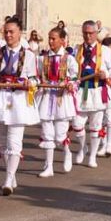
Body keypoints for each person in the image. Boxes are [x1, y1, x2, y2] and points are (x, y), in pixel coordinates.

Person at [0, 16, 40, 196]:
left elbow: (36, 78)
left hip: (19, 100)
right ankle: (10, 173)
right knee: (2, 141)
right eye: (5, 32)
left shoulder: (29, 55)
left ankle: (8, 179)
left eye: (11, 32)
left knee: (15, 141)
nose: (8, 35)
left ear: (20, 32)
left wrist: (30, 83)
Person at [72, 21, 111, 168]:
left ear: (96, 33)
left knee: (96, 126)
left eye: (91, 33)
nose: (88, 36)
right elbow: (71, 69)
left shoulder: (105, 50)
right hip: (81, 92)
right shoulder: (77, 49)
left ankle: (92, 156)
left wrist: (106, 74)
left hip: (98, 91)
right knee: (77, 124)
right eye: (85, 33)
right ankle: (82, 148)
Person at [35, 27, 78, 177]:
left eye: (54, 38)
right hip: (46, 97)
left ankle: (67, 152)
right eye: (49, 38)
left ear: (62, 40)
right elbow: (38, 75)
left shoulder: (69, 59)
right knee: (47, 133)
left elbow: (74, 77)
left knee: (60, 135)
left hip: (62, 99)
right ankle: (49, 166)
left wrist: (69, 83)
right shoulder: (42, 58)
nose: (51, 41)